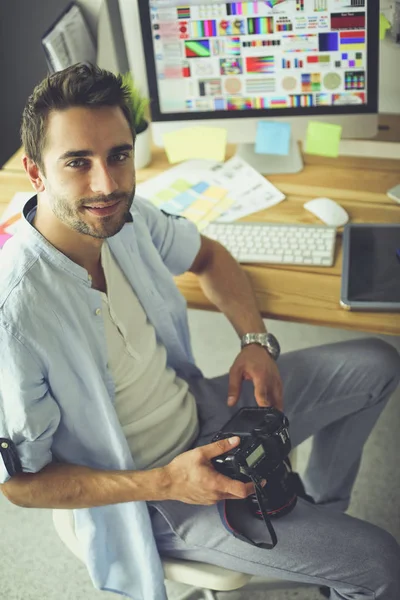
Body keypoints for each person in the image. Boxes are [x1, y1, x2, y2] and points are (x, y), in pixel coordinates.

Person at [0, 63, 399, 600]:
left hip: (202, 409)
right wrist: (167, 482)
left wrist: (253, 341)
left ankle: (322, 516)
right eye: (78, 162)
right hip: (156, 492)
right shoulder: (13, 312)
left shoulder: (122, 214)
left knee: (378, 362)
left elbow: (209, 255)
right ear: (36, 172)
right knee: (380, 566)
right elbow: (21, 486)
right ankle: (335, 559)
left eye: (119, 154)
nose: (107, 183)